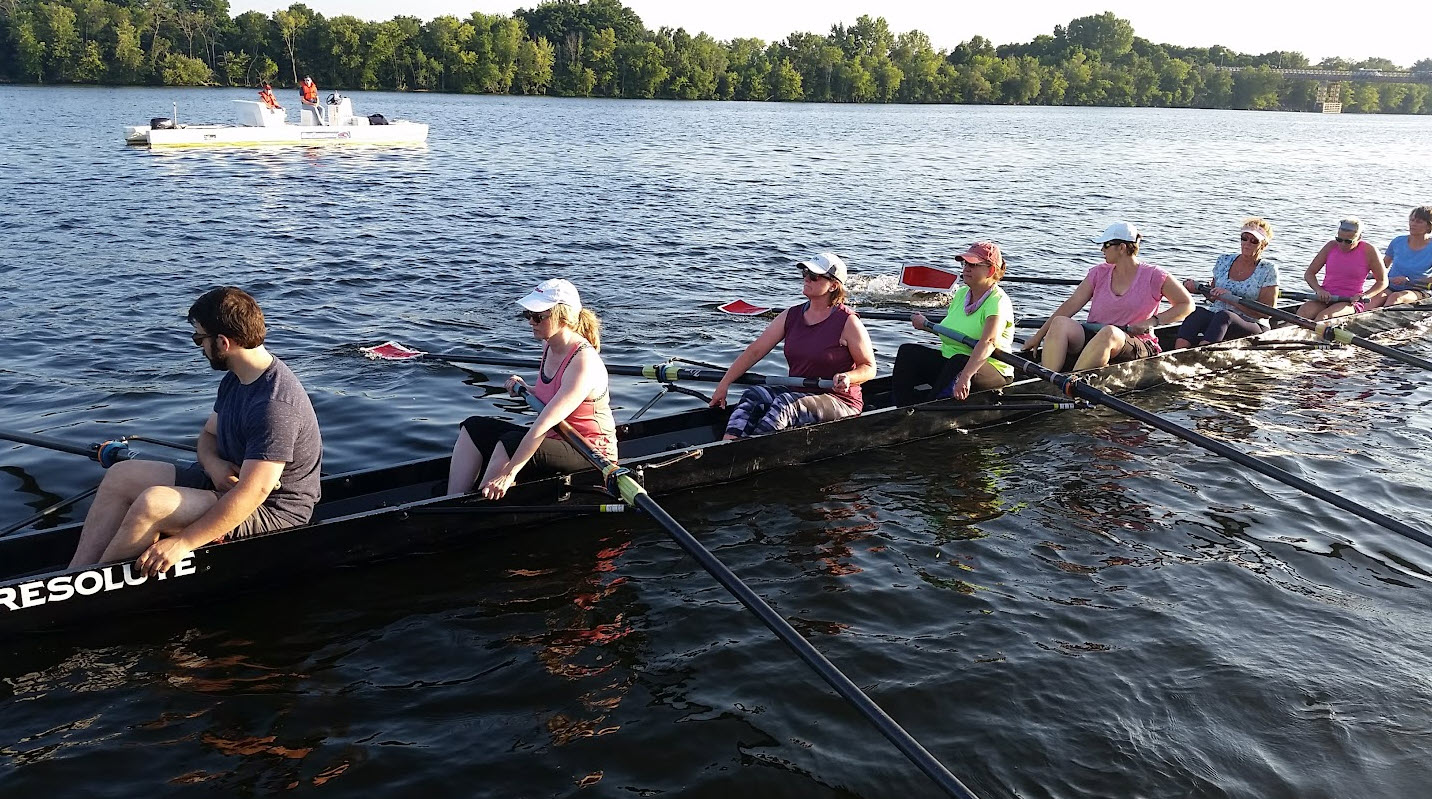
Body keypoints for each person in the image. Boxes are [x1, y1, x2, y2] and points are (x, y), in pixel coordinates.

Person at [69, 288, 323, 575]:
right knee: (121, 475)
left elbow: (255, 492)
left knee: (154, 504)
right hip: (226, 487)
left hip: (272, 511)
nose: (199, 348)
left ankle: (88, 591)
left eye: (199, 339)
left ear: (223, 342)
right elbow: (207, 436)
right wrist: (214, 466)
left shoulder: (275, 404)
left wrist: (184, 543)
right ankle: (74, 573)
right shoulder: (237, 379)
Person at [448, 279, 616, 499]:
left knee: (510, 442)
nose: (531, 322)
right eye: (528, 314)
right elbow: (557, 396)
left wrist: (509, 474)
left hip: (590, 453)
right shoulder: (549, 345)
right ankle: (453, 498)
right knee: (474, 427)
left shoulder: (583, 363)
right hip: (557, 438)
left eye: (538, 316)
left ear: (563, 318)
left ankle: (479, 507)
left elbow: (542, 424)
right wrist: (529, 389)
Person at [710, 253, 876, 439]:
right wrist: (724, 384)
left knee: (785, 404)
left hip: (841, 401)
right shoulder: (791, 315)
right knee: (754, 395)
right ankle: (727, 446)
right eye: (805, 272)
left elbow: (869, 368)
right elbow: (754, 351)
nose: (806, 278)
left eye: (814, 276)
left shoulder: (848, 322)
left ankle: (750, 453)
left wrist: (848, 376)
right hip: (799, 392)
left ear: (834, 285)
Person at [1021, 222, 1194, 371]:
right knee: (1060, 322)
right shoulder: (1098, 273)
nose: (1101, 249)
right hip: (1096, 335)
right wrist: (1038, 336)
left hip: (1136, 341)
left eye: (1106, 245)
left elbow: (1186, 304)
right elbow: (1070, 305)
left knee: (1110, 332)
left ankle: (1071, 384)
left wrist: (1151, 322)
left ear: (1122, 247)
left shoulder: (1154, 275)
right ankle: (1047, 377)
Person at [891, 241, 1015, 405]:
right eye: (965, 263)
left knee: (959, 362)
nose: (966, 268)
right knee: (908, 352)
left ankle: (926, 411)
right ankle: (900, 406)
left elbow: (988, 342)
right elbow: (952, 331)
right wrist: (926, 325)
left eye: (973, 264)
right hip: (952, 363)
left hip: (991, 369)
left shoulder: (997, 301)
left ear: (991, 270)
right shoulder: (962, 294)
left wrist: (966, 377)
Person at [1174, 219, 1281, 348]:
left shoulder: (1268, 269)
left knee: (1224, 316)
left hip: (1252, 323)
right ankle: (1177, 352)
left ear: (1263, 245)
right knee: (1197, 314)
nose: (1247, 243)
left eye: (1254, 241)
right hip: (1218, 317)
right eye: (1244, 238)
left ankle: (1202, 354)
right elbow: (1213, 297)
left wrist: (1233, 300)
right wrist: (1200, 289)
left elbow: (1267, 312)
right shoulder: (1224, 260)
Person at [1296, 217, 1387, 320]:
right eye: (1339, 239)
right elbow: (1309, 274)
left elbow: (1382, 281)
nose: (1342, 244)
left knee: (1324, 317)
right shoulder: (1330, 246)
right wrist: (1319, 290)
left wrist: (1365, 295)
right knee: (1303, 312)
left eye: (1348, 241)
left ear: (1359, 237)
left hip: (1350, 301)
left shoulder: (1369, 251)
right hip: (1326, 297)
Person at [1368, 206, 1432, 308]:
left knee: (1396, 297)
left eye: (1419, 222)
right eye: (1412, 220)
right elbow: (1384, 266)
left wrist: (1410, 281)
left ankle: (1383, 320)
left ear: (1429, 226)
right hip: (1391, 285)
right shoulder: (1398, 241)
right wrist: (1367, 273)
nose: (1413, 224)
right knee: (1373, 300)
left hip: (1417, 289)